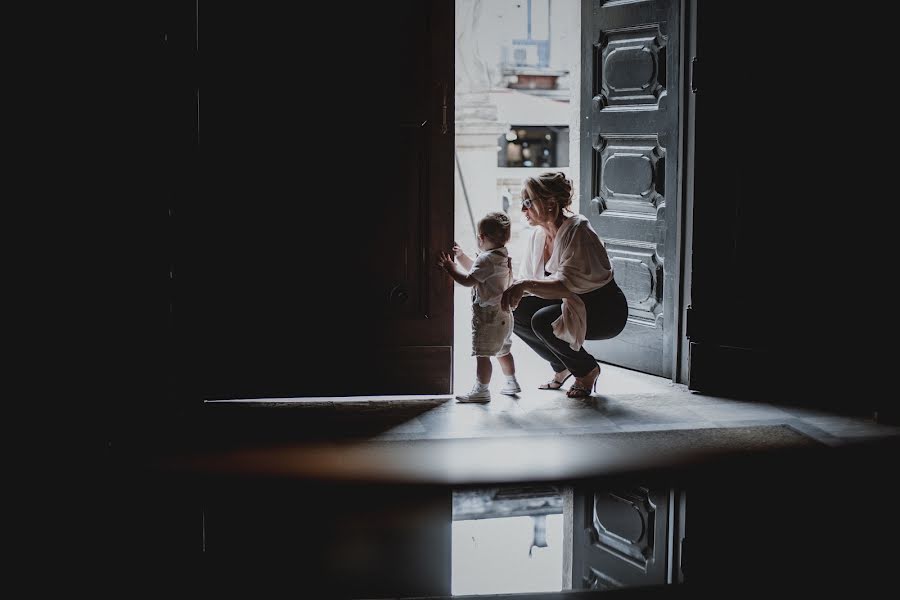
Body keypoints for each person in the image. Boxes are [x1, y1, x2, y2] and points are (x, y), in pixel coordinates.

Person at [500, 172, 627, 398]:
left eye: (528, 202)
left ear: (550, 203)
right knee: (513, 309)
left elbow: (564, 286)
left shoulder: (579, 231)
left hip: (604, 310)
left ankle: (586, 370)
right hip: (568, 303)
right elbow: (531, 288)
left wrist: (524, 285)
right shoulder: (538, 237)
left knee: (543, 321)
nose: (523, 210)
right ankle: (562, 365)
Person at [438, 212, 521, 403]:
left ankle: (482, 390)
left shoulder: (486, 260)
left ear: (481, 237)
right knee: (503, 350)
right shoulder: (502, 256)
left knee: (483, 353)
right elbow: (477, 272)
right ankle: (511, 382)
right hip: (504, 314)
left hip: (488, 316)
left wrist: (449, 268)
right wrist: (460, 257)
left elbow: (469, 280)